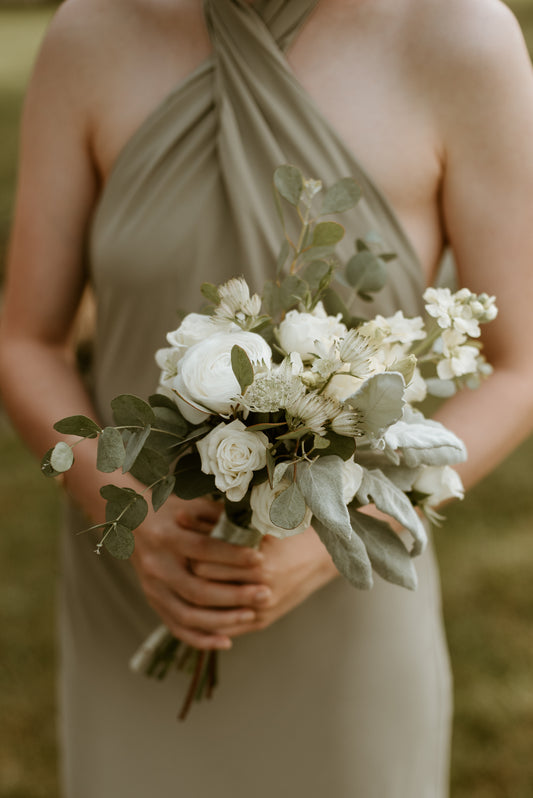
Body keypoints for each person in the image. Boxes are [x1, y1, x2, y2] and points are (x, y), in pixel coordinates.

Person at [1, 0, 533, 796]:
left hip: (345, 605)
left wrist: (336, 540)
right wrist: (126, 507)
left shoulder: (458, 35)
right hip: (139, 583)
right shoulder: (94, 31)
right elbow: (25, 340)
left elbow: (520, 364)